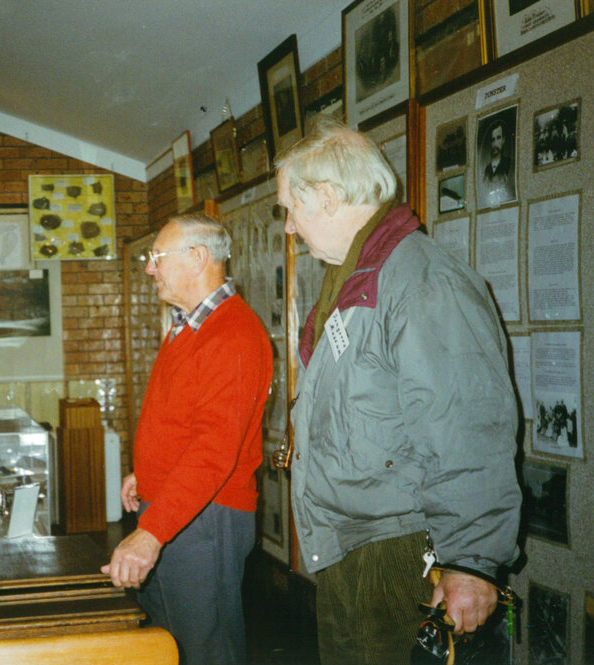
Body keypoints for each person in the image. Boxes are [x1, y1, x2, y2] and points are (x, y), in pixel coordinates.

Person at [274, 120, 521, 665]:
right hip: (355, 547)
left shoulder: (421, 281)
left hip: (396, 549)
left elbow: (466, 427)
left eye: (291, 208)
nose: (289, 227)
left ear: (331, 199)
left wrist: (471, 563)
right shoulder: (359, 276)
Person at [101, 213, 273, 665]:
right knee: (168, 643)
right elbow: (184, 421)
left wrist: (150, 535)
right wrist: (147, 472)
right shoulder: (190, 325)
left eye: (157, 257)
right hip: (181, 508)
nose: (149, 268)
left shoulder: (232, 331)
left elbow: (214, 450)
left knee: (205, 649)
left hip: (207, 517)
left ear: (198, 258)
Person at [478, 118, 515, 208]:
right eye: (493, 139)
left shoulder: (510, 163)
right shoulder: (487, 170)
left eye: (498, 138)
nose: (495, 143)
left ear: (503, 140)